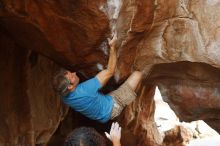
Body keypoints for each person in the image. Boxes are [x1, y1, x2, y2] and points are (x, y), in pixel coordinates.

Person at [52, 35, 143, 123]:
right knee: (138, 74)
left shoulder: (63, 94)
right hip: (112, 107)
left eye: (70, 73)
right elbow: (110, 71)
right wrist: (112, 47)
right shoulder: (86, 90)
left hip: (100, 114)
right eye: (72, 77)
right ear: (70, 87)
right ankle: (131, 98)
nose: (74, 73)